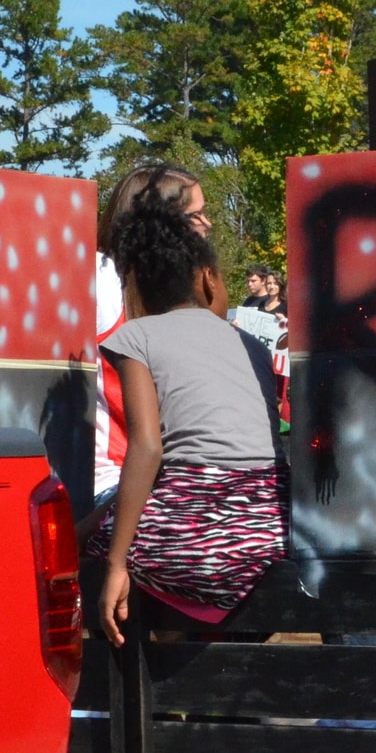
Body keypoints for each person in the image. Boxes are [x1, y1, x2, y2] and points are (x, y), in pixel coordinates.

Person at [92, 190, 285, 640]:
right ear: (209, 279)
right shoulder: (250, 343)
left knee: (97, 532)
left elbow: (146, 447)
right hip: (268, 525)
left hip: (196, 526)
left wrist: (117, 563)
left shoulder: (136, 336)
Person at [92, 163, 207, 506]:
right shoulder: (104, 279)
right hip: (113, 480)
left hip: (168, 480)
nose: (207, 225)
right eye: (196, 216)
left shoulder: (175, 289)